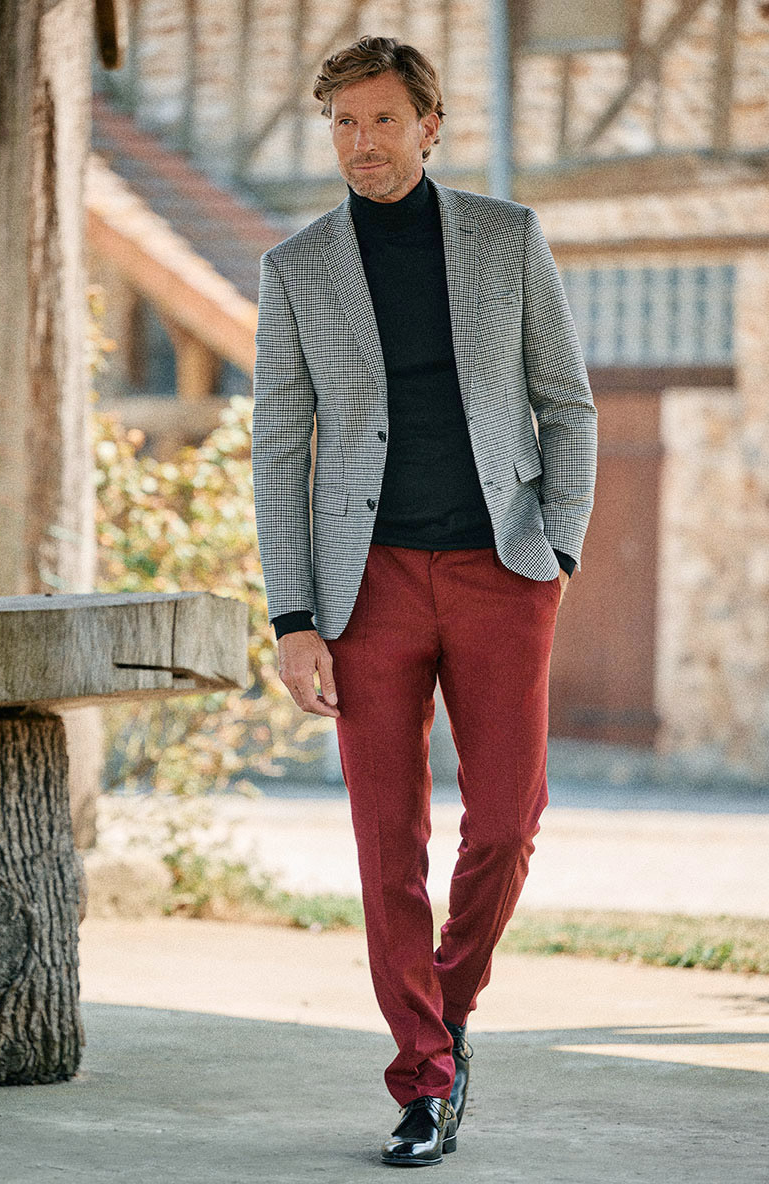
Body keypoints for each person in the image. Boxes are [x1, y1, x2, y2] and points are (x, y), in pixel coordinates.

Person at [251, 34, 597, 1168]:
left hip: (503, 568)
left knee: (504, 823)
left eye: (383, 120)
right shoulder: (296, 268)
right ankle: (424, 1079)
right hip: (367, 586)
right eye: (343, 123)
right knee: (383, 841)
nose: (363, 142)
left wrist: (559, 545)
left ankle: (443, 1010)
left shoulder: (507, 238)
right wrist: (293, 618)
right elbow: (278, 448)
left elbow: (566, 402)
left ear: (429, 125)